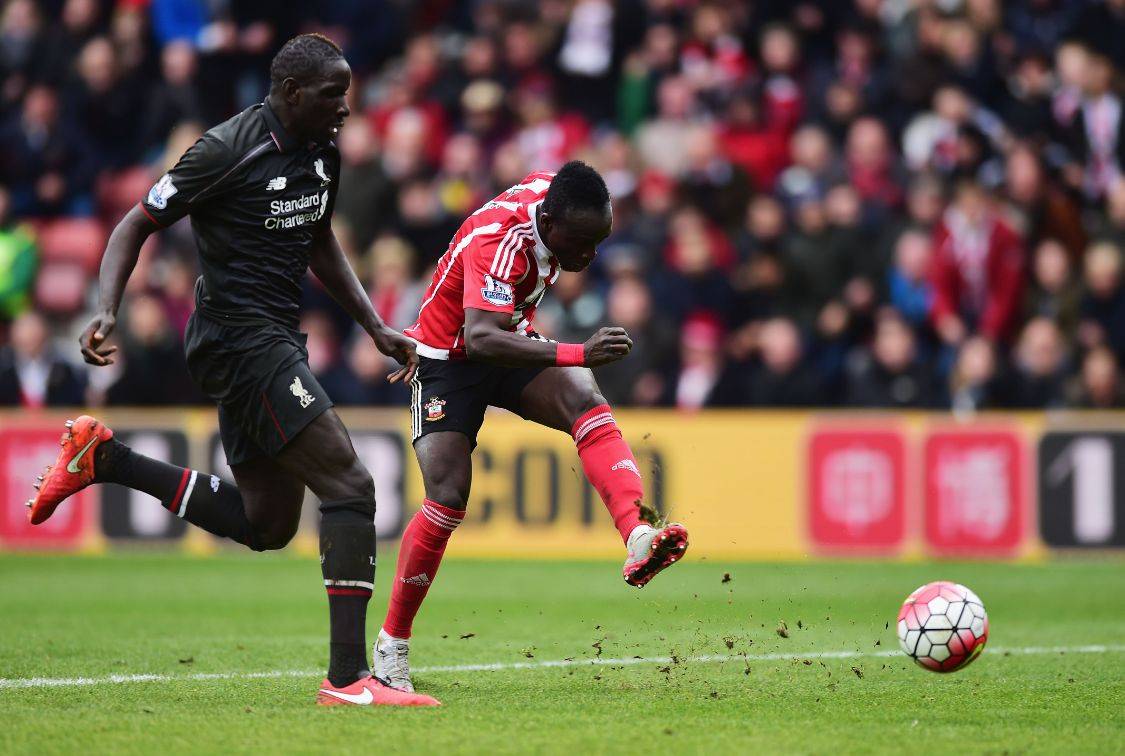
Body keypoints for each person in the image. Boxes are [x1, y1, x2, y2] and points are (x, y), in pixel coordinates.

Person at [24, 34, 437, 708]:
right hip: (237, 339)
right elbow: (134, 223)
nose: (347, 107)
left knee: (266, 524)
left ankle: (105, 461)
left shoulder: (321, 151)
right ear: (293, 93)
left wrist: (375, 327)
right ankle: (347, 680)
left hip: (273, 338)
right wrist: (106, 311)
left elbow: (320, 239)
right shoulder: (225, 148)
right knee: (351, 484)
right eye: (335, 94)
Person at [372, 161, 690, 693]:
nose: (591, 255)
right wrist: (576, 351)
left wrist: (567, 359)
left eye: (600, 239)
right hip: (448, 357)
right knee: (449, 496)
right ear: (551, 223)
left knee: (585, 401)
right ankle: (391, 647)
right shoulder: (501, 241)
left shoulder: (556, 197)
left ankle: (637, 535)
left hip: (507, 336)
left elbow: (500, 327)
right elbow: (478, 338)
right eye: (584, 243)